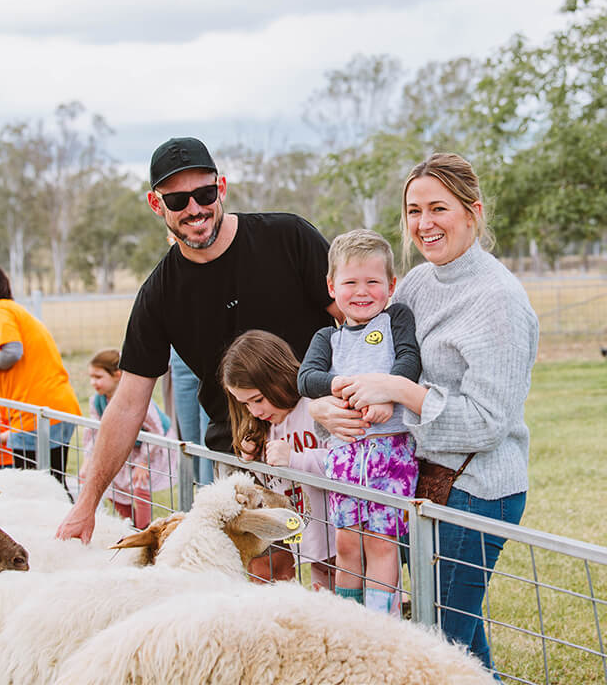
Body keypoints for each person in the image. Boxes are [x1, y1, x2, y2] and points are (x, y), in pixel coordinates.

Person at [310, 153, 538, 672]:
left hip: (475, 489)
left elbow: (487, 423)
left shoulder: (499, 299)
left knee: (442, 643)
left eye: (439, 208)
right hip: (417, 479)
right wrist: (328, 407)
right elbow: (358, 361)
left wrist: (403, 392)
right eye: (414, 210)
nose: (424, 223)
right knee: (454, 639)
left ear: (473, 211)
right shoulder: (413, 284)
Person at [57, 136, 343, 541]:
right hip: (242, 449)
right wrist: (85, 505)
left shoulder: (288, 236)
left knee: (347, 555)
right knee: (263, 567)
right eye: (178, 200)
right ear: (156, 204)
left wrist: (357, 402)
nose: (194, 209)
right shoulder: (159, 295)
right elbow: (128, 404)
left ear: (221, 187)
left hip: (322, 436)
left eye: (205, 194)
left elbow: (353, 320)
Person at [297, 229, 421, 613]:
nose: (362, 291)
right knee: (347, 543)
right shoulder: (327, 339)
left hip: (390, 453)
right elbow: (306, 379)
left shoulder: (395, 320)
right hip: (345, 456)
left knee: (381, 542)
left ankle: (381, 621)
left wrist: (388, 393)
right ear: (332, 287)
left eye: (373, 282)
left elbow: (409, 360)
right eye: (350, 282)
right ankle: (350, 620)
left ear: (391, 285)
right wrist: (336, 386)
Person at [221, 330, 334, 590]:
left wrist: (294, 458)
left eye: (257, 400)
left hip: (341, 534)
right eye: (245, 404)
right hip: (311, 539)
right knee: (323, 592)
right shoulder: (267, 427)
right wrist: (254, 456)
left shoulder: (315, 407)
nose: (254, 411)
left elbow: (345, 463)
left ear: (278, 377)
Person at [0, 264, 81, 492]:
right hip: (58, 408)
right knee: (54, 486)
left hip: (35, 415)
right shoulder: (13, 312)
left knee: (31, 490)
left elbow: (12, 352)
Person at [81, 349, 176, 529]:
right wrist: (88, 458)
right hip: (127, 445)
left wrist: (143, 463)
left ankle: (142, 528)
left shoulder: (137, 400)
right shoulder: (97, 401)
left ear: (117, 375)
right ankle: (129, 524)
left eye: (98, 377)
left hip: (151, 446)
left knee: (139, 485)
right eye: (91, 377)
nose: (93, 382)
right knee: (112, 484)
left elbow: (155, 431)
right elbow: (94, 431)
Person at [169, 348, 213, 485]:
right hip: (180, 354)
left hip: (215, 351)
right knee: (189, 445)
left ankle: (206, 493)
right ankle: (199, 491)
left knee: (209, 444)